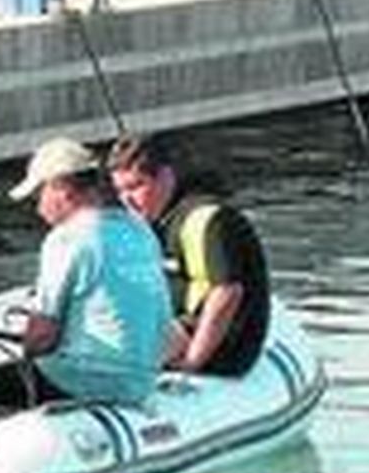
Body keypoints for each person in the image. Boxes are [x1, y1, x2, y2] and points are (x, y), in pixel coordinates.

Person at [0, 136, 171, 426]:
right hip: (141, 381)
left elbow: (42, 337)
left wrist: (21, 353)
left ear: (61, 188)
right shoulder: (139, 229)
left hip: (84, 380)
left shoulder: (68, 238)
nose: (38, 208)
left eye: (39, 195)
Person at [108, 133, 271, 376]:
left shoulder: (206, 220)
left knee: (113, 355)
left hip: (220, 343)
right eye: (120, 191)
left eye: (135, 186)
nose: (127, 200)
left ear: (165, 177)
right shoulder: (155, 220)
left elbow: (227, 292)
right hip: (176, 326)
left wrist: (193, 360)